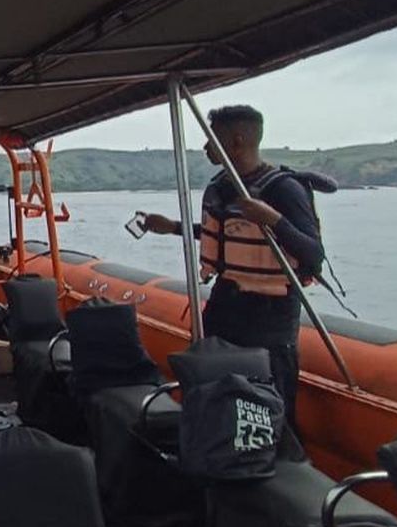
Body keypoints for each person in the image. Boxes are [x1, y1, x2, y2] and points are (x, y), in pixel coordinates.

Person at [137, 105, 324, 431]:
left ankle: (280, 453)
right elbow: (225, 234)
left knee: (270, 402)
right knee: (216, 390)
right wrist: (174, 227)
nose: (205, 147)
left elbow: (313, 254)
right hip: (226, 304)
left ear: (237, 141)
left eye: (212, 139)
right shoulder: (223, 187)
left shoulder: (284, 190)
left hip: (269, 317)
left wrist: (273, 219)